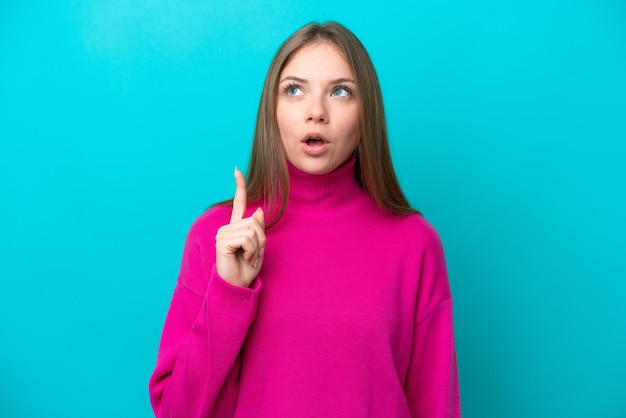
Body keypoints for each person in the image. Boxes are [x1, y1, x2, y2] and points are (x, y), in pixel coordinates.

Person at [149, 21, 460, 418]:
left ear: (366, 113)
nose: (316, 113)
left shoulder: (415, 243)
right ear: (271, 110)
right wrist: (228, 291)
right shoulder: (218, 236)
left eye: (340, 91)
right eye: (294, 90)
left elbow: (436, 407)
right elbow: (176, 411)